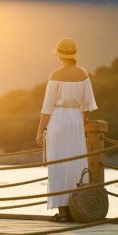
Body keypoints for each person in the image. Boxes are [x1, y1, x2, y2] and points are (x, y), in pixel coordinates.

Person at [36, 38, 98, 222]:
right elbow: (87, 105)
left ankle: (63, 212)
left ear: (60, 55)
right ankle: (76, 209)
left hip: (58, 120)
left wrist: (40, 131)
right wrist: (81, 121)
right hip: (75, 121)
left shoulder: (55, 75)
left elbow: (47, 108)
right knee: (76, 164)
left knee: (58, 165)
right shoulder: (83, 74)